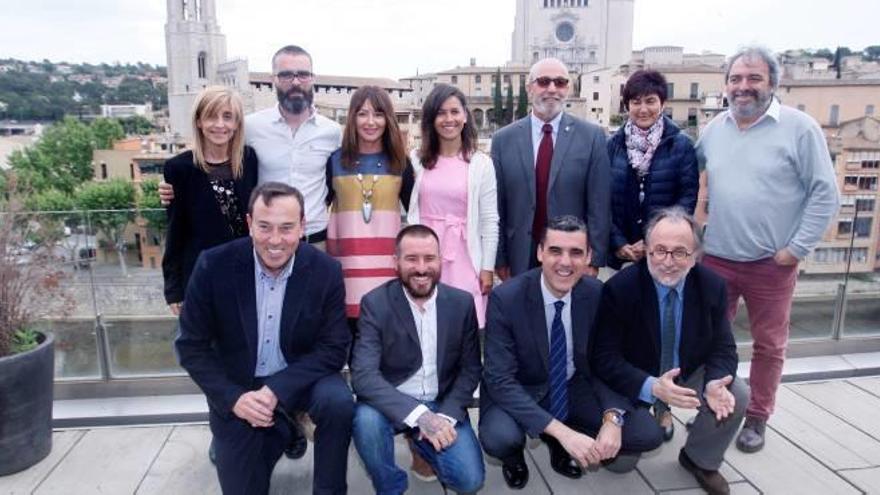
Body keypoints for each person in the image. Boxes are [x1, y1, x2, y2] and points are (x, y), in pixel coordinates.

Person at [696, 46, 840, 453]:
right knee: (711, 340)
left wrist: (796, 249)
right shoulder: (713, 130)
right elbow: (696, 187)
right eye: (736, 79)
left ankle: (757, 416)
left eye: (753, 78)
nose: (744, 87)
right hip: (717, 260)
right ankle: (714, 409)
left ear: (772, 83)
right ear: (726, 86)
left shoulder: (800, 128)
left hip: (770, 265)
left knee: (769, 345)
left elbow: (825, 194)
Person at [175, 182, 353, 495]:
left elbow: (334, 347)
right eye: (264, 227)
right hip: (239, 387)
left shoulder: (325, 270)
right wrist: (233, 399)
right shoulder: (213, 265)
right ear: (249, 224)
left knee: (338, 401)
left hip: (299, 379)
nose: (275, 240)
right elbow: (191, 347)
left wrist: (277, 389)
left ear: (303, 228)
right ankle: (282, 429)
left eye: (286, 228)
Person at [479, 215, 662, 490]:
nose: (565, 262)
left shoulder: (597, 293)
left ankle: (559, 439)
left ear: (589, 257)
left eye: (576, 252)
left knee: (646, 433)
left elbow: (610, 362)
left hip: (573, 384)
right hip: (521, 386)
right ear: (540, 252)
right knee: (499, 437)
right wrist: (565, 434)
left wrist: (613, 417)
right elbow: (500, 380)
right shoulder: (507, 298)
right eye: (555, 250)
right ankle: (518, 454)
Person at [593, 207, 748, 495]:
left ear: (695, 256)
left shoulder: (711, 285)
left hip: (686, 369)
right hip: (636, 376)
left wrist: (715, 383)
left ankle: (699, 459)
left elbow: (723, 347)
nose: (668, 262)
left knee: (736, 393)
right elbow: (604, 358)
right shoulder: (620, 289)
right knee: (619, 465)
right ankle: (636, 419)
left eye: (680, 252)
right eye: (660, 251)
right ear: (646, 250)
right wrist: (652, 387)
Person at [160, 45, 340, 248]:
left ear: (312, 78)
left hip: (315, 240)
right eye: (286, 75)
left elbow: (337, 180)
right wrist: (175, 185)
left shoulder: (332, 133)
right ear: (274, 80)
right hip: (265, 244)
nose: (296, 82)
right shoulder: (250, 127)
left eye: (303, 75)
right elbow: (218, 156)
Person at [350, 224, 484, 495]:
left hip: (442, 402)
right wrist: (420, 416)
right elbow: (363, 376)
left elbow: (470, 369)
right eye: (411, 259)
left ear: (440, 260)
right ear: (395, 262)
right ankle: (390, 486)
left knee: (469, 481)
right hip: (391, 401)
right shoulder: (375, 304)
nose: (422, 268)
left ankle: (422, 443)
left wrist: (443, 417)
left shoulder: (461, 303)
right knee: (365, 421)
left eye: (429, 258)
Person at [492, 58, 610, 280]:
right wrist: (500, 258)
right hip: (520, 253)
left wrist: (594, 259)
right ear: (529, 88)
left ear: (569, 88)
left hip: (570, 255)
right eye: (544, 81)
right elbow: (497, 206)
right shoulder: (503, 140)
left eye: (560, 82)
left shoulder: (592, 137)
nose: (552, 89)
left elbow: (599, 204)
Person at [407, 84, 498, 328]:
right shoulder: (416, 160)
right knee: (424, 322)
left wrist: (487, 267)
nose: (449, 119)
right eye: (441, 113)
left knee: (461, 327)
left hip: (465, 256)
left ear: (465, 116)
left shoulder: (481, 164)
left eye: (455, 112)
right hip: (425, 255)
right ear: (431, 119)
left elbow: (490, 221)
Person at [162, 85, 258, 315]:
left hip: (246, 272)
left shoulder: (249, 160)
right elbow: (176, 231)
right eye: (211, 116)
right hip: (201, 274)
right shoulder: (179, 168)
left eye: (227, 117)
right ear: (198, 121)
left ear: (237, 124)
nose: (220, 124)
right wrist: (174, 289)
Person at [325, 85, 414, 331]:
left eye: (378, 114)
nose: (370, 122)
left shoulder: (401, 164)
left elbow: (415, 216)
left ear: (388, 119)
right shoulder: (335, 161)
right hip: (345, 269)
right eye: (362, 114)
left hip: (387, 270)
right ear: (352, 117)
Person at [607, 70, 698, 269]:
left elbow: (687, 199)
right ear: (627, 105)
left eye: (650, 101)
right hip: (621, 252)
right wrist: (618, 242)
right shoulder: (612, 146)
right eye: (636, 102)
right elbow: (601, 199)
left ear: (662, 103)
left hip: (664, 252)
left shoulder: (681, 146)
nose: (643, 109)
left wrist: (652, 241)